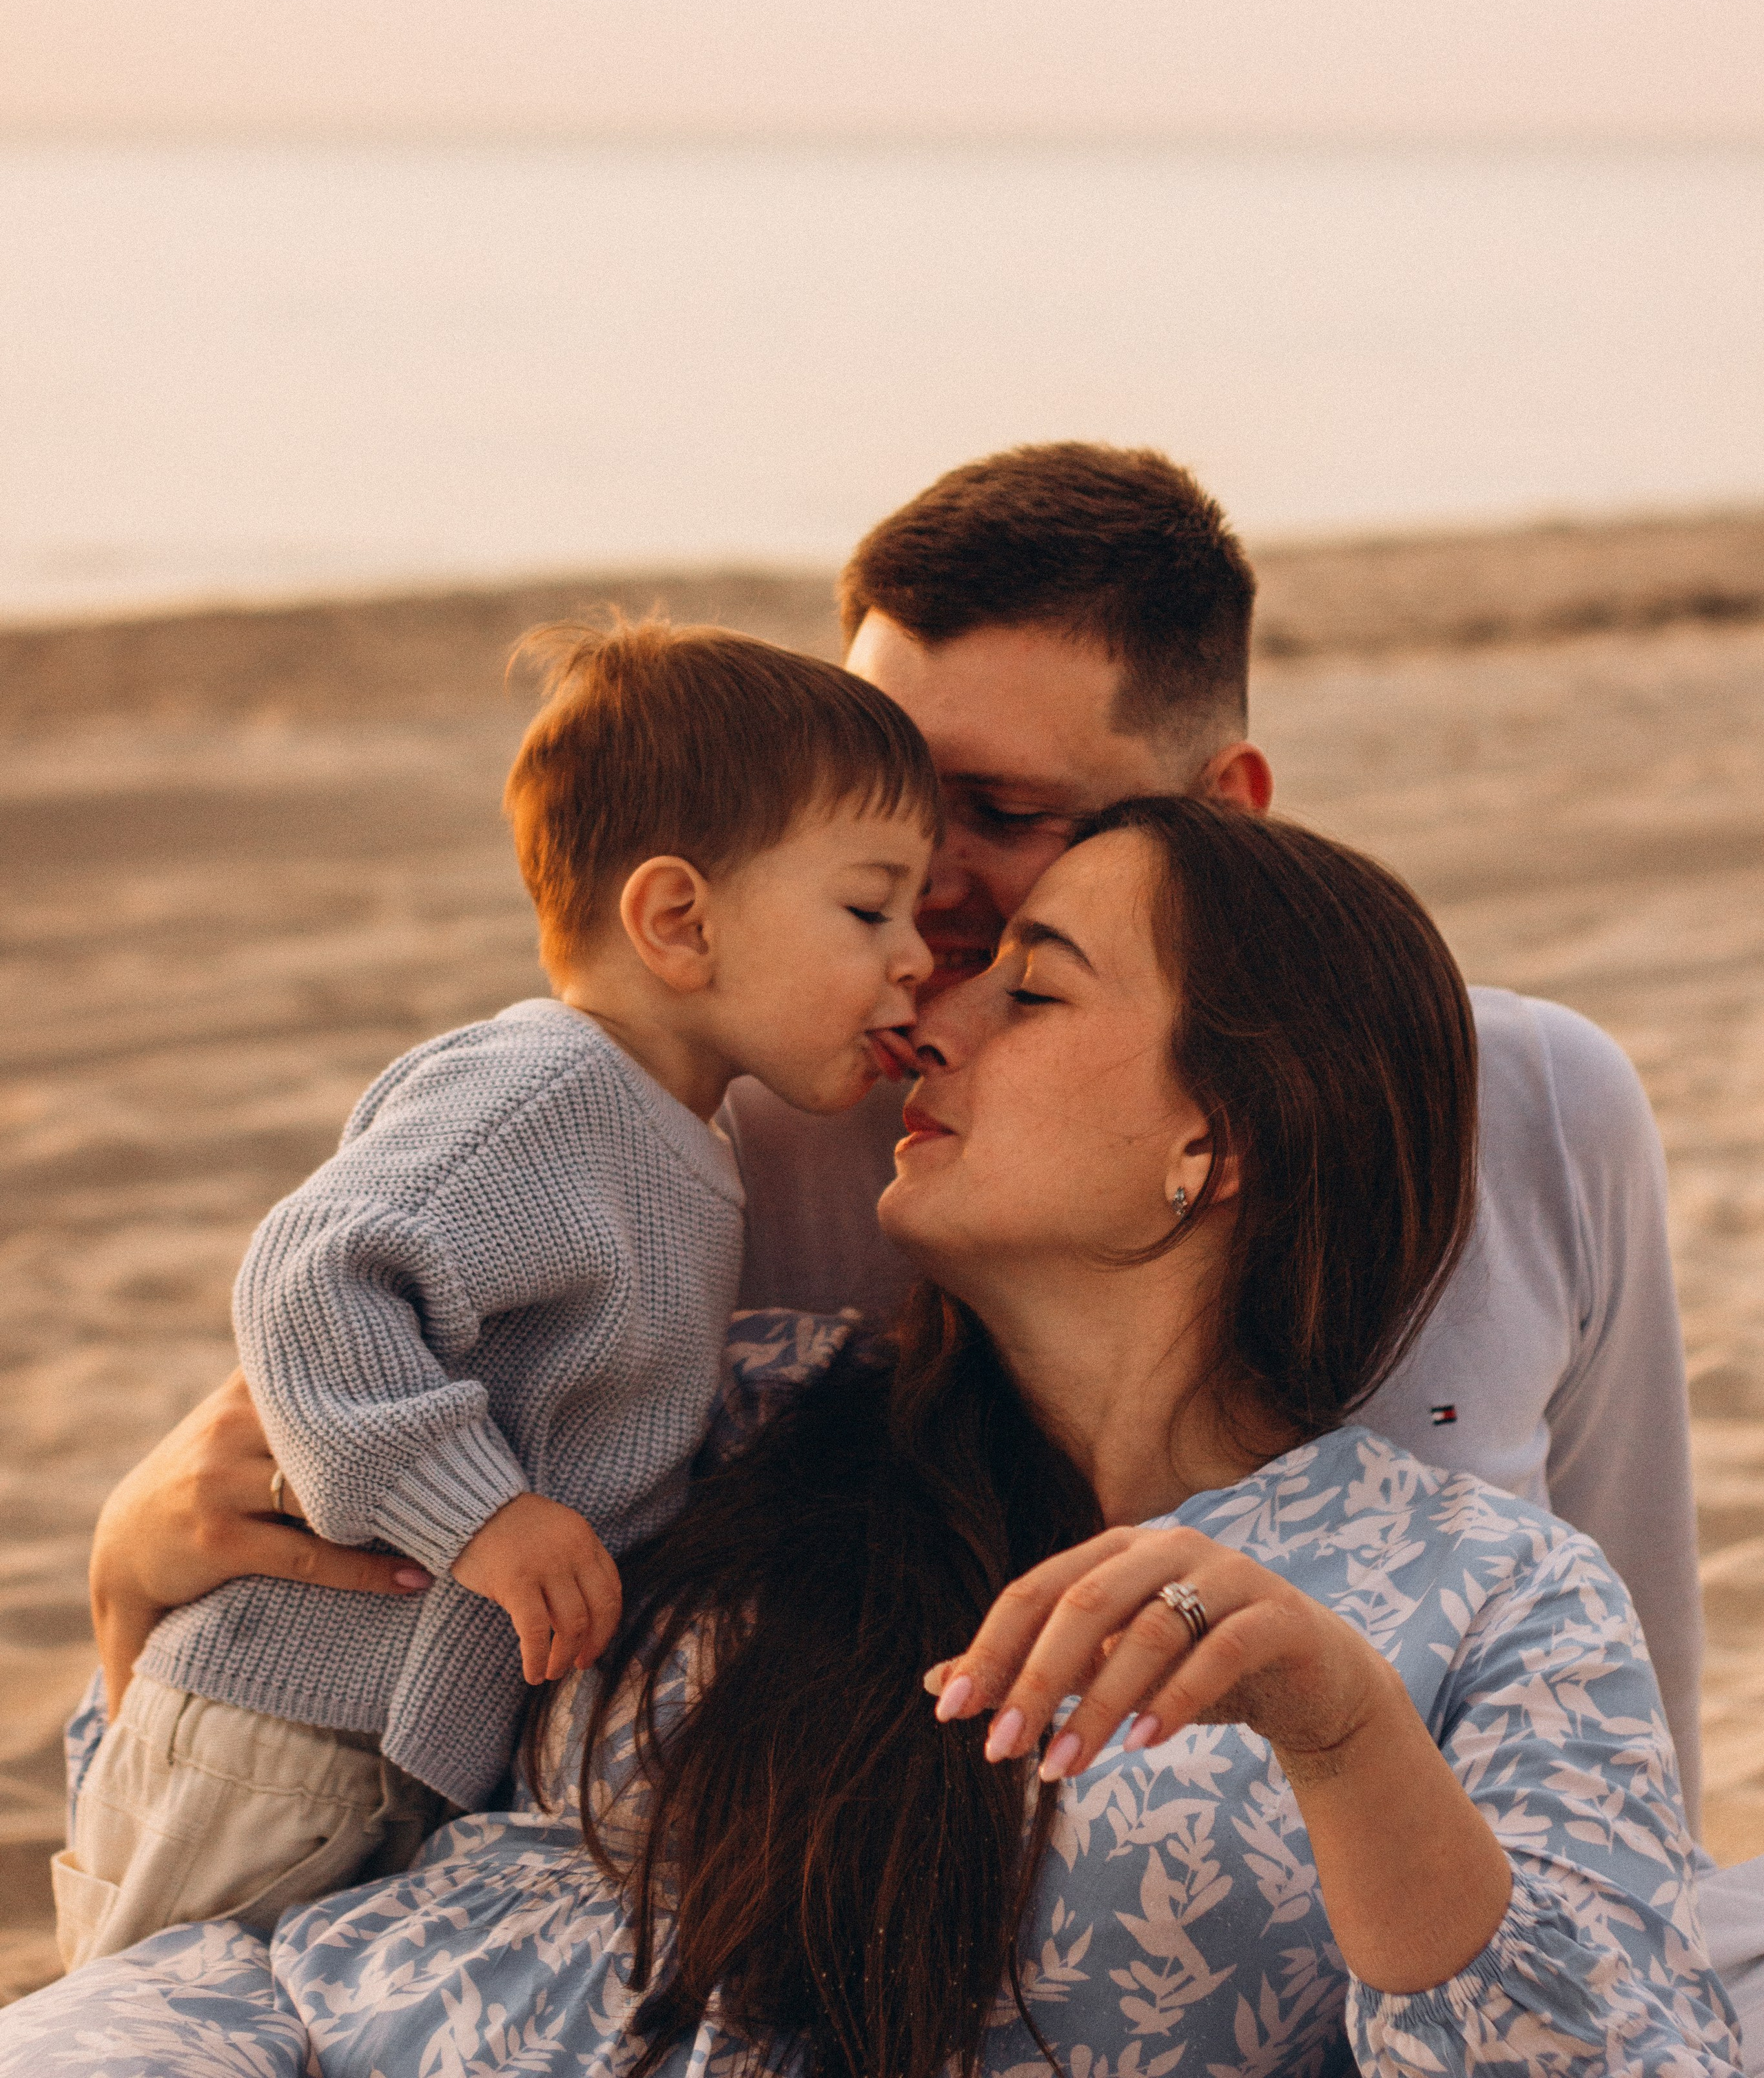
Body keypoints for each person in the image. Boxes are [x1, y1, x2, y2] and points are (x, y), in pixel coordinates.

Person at [81, 442, 1705, 1809]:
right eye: (881, 804)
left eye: (999, 813)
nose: (920, 887)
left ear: (1226, 811)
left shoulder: (1533, 1106)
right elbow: (361, 1371)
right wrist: (139, 1540)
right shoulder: (734, 1128)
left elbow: (1627, 1657)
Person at [5, 801, 1739, 2076]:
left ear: (1211, 1141)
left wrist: (1341, 1732)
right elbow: (278, 1724)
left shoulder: (1487, 1599)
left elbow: (1595, 2057)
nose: (933, 1021)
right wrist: (132, 1574)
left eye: (1029, 993)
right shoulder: (731, 1401)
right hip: (258, 2032)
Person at [51, 619, 938, 1968]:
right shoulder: (545, 1092)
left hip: (396, 1743)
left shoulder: (675, 1131)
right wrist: (479, 1512)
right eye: (871, 910)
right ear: (679, 921)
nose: (915, 954)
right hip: (286, 1725)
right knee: (145, 2013)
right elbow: (314, 1270)